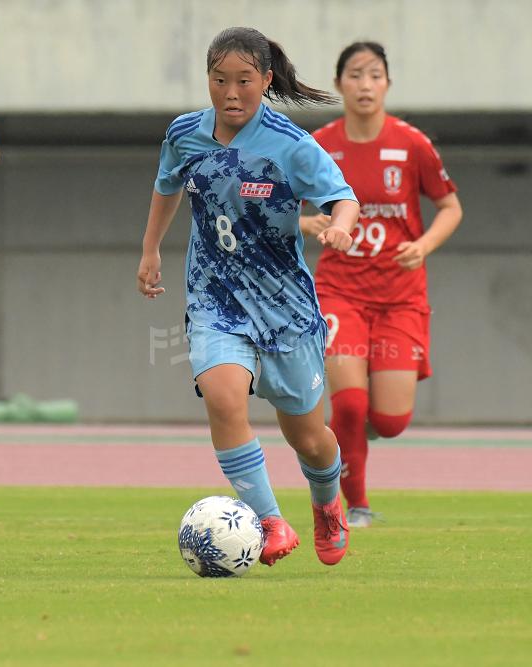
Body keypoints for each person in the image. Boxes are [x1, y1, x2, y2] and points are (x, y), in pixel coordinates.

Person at [137, 27, 360, 567]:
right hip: (215, 297)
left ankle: (327, 503)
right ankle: (268, 520)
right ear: (207, 79)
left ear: (265, 79)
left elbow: (343, 197)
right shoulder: (185, 134)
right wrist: (150, 250)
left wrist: (340, 227)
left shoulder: (290, 144)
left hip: (284, 307)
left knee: (308, 437)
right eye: (219, 80)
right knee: (223, 398)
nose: (231, 93)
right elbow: (167, 185)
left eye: (243, 81)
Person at [299, 42, 462, 528]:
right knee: (350, 404)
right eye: (355, 75)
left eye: (374, 75)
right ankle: (355, 506)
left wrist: (424, 245)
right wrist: (308, 223)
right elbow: (278, 205)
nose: (365, 85)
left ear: (387, 83)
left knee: (390, 421)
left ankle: (353, 436)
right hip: (339, 291)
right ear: (339, 84)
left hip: (400, 297)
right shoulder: (318, 146)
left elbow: (450, 207)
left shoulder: (412, 144)